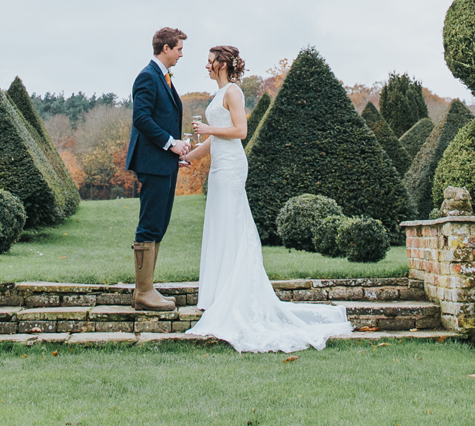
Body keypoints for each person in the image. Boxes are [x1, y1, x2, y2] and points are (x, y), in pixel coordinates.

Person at [184, 44, 352, 352]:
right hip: (219, 167)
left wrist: (208, 127)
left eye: (210, 62)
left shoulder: (233, 91)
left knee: (233, 224)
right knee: (220, 226)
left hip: (233, 167)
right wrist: (191, 156)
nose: (206, 66)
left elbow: (240, 131)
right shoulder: (217, 94)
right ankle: (218, 294)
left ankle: (235, 296)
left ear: (223, 64)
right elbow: (214, 138)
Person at [126, 26, 190, 312]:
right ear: (165, 48)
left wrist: (175, 153)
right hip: (151, 164)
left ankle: (148, 287)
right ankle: (142, 292)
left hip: (163, 163)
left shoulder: (163, 78)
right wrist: (170, 143)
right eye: (178, 49)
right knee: (150, 223)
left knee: (160, 223)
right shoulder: (147, 77)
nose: (180, 54)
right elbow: (141, 118)